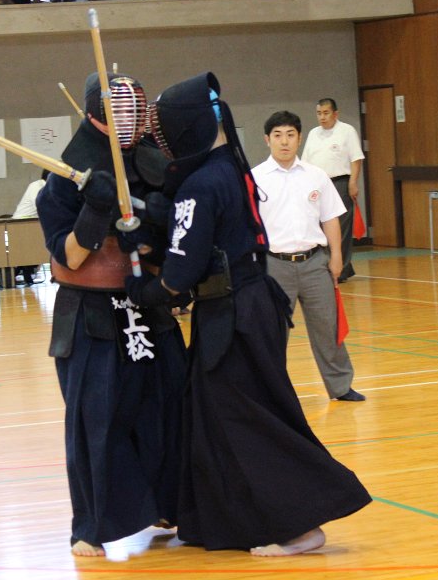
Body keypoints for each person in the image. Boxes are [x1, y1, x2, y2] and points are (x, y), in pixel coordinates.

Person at [126, 72, 371, 555]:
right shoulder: (233, 172)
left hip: (233, 314)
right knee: (214, 415)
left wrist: (144, 289)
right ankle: (220, 519)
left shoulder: (201, 184)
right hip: (247, 304)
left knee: (247, 418)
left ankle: (300, 525)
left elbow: (180, 273)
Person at [35, 72, 186, 558]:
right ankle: (91, 525)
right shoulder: (63, 181)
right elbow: (69, 256)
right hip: (91, 312)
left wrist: (153, 230)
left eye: (133, 108)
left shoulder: (156, 168)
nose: (128, 116)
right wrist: (95, 211)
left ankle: (167, 504)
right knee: (96, 418)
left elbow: (174, 242)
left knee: (166, 406)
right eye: (116, 108)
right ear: (94, 113)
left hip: (147, 302)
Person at [253, 110, 365, 402]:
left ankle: (340, 386)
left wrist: (337, 257)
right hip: (274, 266)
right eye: (278, 135)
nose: (284, 141)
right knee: (273, 332)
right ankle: (271, 391)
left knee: (328, 326)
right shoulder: (254, 178)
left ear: (300, 138)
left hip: (315, 263)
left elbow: (330, 218)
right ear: (267, 140)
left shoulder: (316, 176)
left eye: (290, 135)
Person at [301, 97, 364, 282]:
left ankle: (341, 270)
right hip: (317, 185)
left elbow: (356, 159)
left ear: (335, 114)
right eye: (319, 113)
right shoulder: (313, 133)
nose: (322, 117)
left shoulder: (347, 131)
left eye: (326, 113)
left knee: (341, 227)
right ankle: (328, 266)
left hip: (340, 183)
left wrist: (353, 182)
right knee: (320, 227)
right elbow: (305, 162)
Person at [10, 169, 49, 284]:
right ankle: (23, 271)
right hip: (22, 223)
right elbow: (39, 205)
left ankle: (25, 271)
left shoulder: (49, 187)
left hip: (35, 223)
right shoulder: (36, 186)